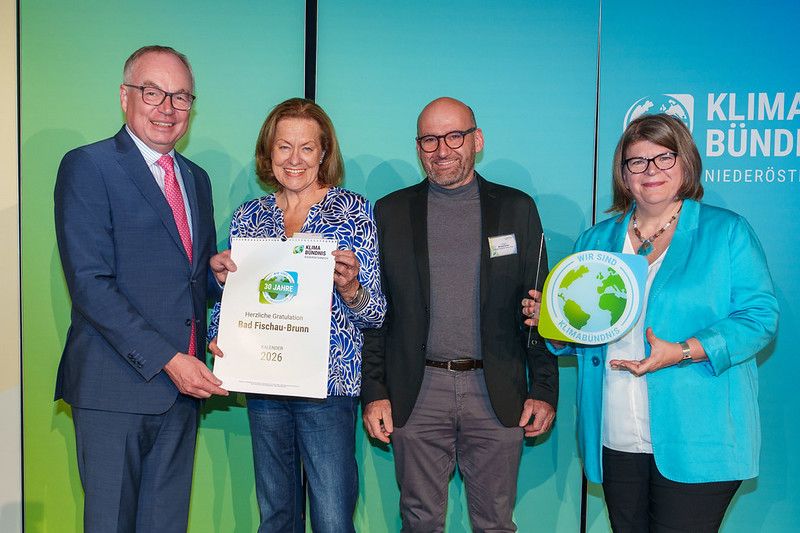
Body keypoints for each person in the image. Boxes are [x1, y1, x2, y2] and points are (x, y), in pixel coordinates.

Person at [523, 113, 779, 532]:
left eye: (663, 158)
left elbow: (760, 317)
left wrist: (683, 350)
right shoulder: (595, 241)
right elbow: (588, 334)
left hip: (701, 435)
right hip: (616, 433)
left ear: (685, 164)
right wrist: (551, 320)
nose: (651, 171)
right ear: (623, 176)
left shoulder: (727, 232)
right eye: (637, 162)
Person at [361, 97, 559, 532]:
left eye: (454, 136)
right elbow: (377, 312)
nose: (442, 149)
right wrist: (374, 389)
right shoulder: (390, 212)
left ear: (477, 140)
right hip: (417, 390)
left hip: (497, 390)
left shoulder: (517, 208)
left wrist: (543, 388)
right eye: (429, 139)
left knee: (494, 522)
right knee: (419, 520)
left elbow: (539, 306)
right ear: (418, 147)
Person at [54, 45, 227, 533]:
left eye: (181, 97)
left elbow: (190, 279)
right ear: (125, 96)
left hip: (182, 393)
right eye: (153, 93)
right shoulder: (88, 167)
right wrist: (171, 360)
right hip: (115, 390)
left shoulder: (197, 179)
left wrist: (215, 279)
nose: (167, 108)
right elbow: (90, 285)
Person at [208, 97, 386, 533]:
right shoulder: (249, 217)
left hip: (326, 388)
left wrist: (349, 287)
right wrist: (218, 319)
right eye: (284, 147)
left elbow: (376, 313)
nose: (295, 159)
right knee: (276, 517)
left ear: (324, 152)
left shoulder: (354, 211)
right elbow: (233, 302)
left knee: (331, 518)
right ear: (269, 153)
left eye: (307, 147)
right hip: (264, 383)